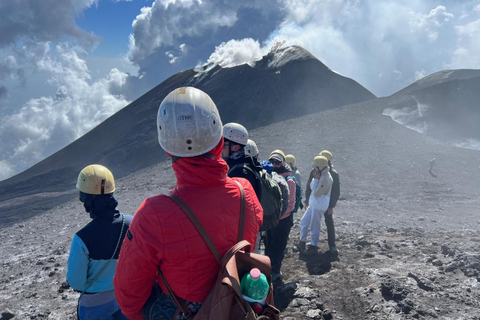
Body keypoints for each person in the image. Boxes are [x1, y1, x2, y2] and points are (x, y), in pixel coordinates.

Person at [114, 87, 263, 320]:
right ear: (218, 140)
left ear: (167, 149)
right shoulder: (246, 192)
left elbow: (129, 296)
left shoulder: (153, 214)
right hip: (236, 305)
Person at [67, 164, 132, 320]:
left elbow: (76, 282)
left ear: (85, 199)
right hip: (128, 296)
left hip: (94, 305)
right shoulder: (135, 223)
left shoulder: (82, 238)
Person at [264, 149, 296, 282]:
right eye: (271, 161)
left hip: (282, 220)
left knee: (278, 246)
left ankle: (275, 271)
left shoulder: (289, 181)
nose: (274, 164)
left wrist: (277, 216)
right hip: (271, 219)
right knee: (268, 244)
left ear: (282, 163)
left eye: (277, 162)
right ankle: (267, 269)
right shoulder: (267, 177)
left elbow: (291, 205)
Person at [304, 150, 341, 255]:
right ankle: (310, 244)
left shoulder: (333, 174)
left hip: (326, 203)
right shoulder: (314, 171)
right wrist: (307, 201)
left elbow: (336, 191)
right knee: (312, 222)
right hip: (315, 203)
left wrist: (331, 206)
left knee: (329, 222)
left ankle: (332, 245)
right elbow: (309, 186)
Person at [295, 156, 333, 255]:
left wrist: (316, 179)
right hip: (314, 204)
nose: (314, 169)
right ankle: (302, 242)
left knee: (314, 226)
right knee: (304, 221)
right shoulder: (321, 175)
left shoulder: (326, 178)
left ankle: (313, 246)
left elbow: (316, 192)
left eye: (316, 167)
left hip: (319, 205)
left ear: (321, 167)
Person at [223, 123, 262, 196]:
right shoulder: (246, 162)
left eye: (223, 144)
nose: (220, 147)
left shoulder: (239, 172)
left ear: (236, 148)